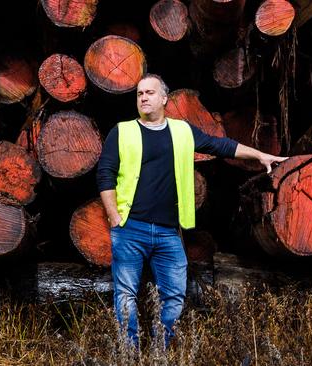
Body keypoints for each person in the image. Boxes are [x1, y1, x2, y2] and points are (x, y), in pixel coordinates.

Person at [96, 73, 288, 348]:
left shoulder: (182, 131)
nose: (144, 98)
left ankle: (161, 351)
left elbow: (221, 145)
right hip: (131, 229)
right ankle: (130, 354)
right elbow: (105, 175)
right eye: (139, 94)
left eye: (149, 93)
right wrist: (114, 217)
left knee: (174, 295)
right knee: (126, 294)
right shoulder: (122, 131)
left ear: (164, 98)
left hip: (169, 233)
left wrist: (260, 155)